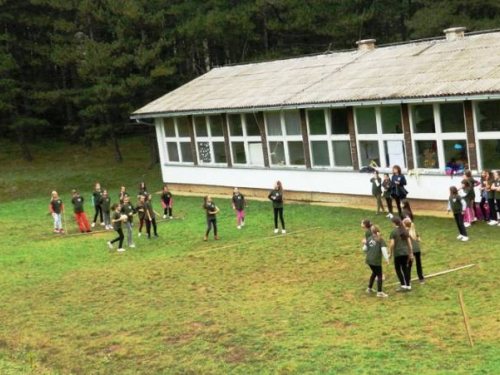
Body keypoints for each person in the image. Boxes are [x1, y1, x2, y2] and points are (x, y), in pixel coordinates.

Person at [362, 225, 389, 298]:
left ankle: (369, 288)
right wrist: (387, 259)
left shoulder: (369, 238)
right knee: (379, 275)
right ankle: (379, 292)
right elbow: (384, 250)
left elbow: (364, 249)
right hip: (376, 261)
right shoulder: (380, 239)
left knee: (374, 272)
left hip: (369, 260)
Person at [389, 217, 414, 292]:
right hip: (405, 253)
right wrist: (411, 253)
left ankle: (403, 285)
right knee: (405, 268)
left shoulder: (393, 232)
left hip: (398, 253)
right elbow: (409, 244)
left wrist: (390, 253)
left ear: (394, 223)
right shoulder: (405, 231)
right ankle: (408, 286)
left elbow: (392, 244)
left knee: (398, 269)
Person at [403, 218, 424, 284]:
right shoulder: (413, 230)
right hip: (417, 249)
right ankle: (421, 279)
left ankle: (408, 280)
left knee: (409, 265)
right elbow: (419, 239)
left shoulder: (405, 232)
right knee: (418, 264)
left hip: (411, 250)